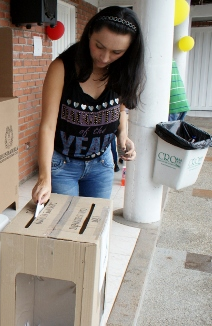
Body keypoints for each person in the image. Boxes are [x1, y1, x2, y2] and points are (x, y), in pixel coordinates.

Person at [32, 6, 144, 204]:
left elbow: (121, 108)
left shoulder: (121, 71)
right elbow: (48, 126)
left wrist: (123, 135)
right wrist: (44, 177)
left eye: (116, 51)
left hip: (102, 163)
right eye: (99, 46)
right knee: (65, 227)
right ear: (89, 33)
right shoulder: (61, 68)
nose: (105, 57)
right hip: (63, 165)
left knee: (93, 224)